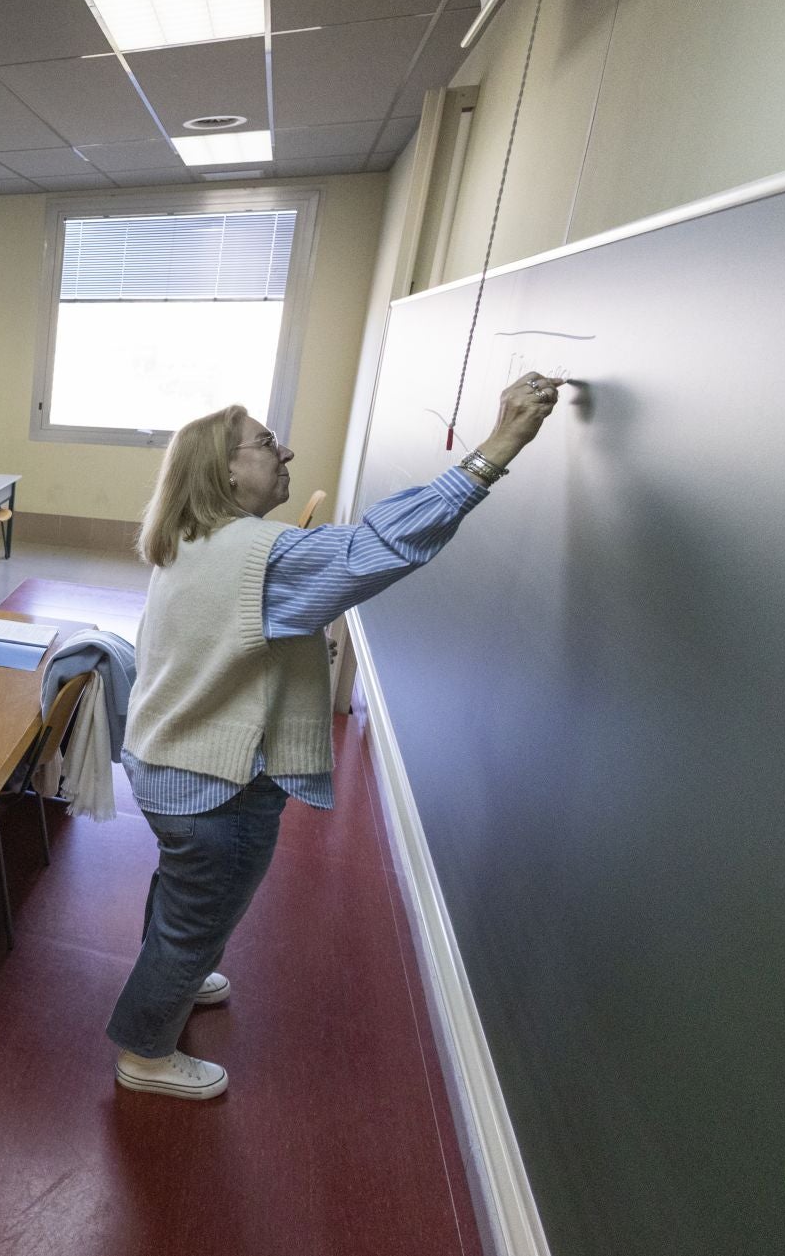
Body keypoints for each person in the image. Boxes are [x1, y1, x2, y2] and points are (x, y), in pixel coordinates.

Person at [107, 372, 565, 1102]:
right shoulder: (266, 557)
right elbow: (380, 545)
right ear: (224, 468)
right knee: (200, 913)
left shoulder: (193, 539)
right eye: (265, 442)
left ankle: (177, 973)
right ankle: (147, 1049)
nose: (283, 450)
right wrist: (495, 448)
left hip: (169, 765)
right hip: (211, 785)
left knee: (183, 895)